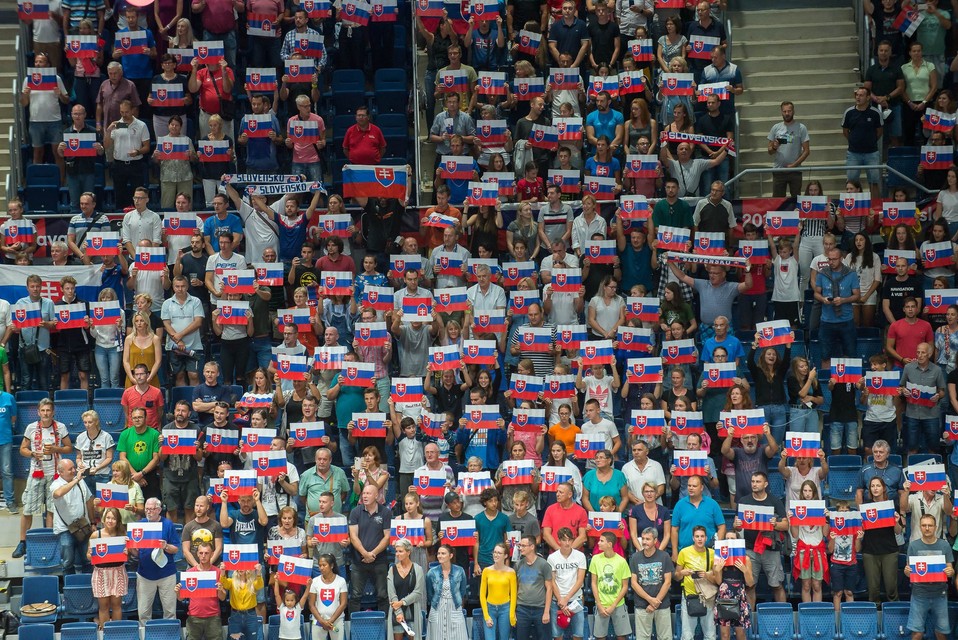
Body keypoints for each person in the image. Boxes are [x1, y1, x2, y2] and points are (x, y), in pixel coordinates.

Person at [13, 398, 72, 559]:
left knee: (52, 510)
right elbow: (22, 449)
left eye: (48, 410)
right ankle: (23, 542)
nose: (46, 413)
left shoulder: (60, 427)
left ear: (53, 412)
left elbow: (69, 448)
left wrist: (56, 449)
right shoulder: (31, 427)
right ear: (38, 412)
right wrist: (33, 453)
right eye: (43, 410)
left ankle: (50, 541)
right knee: (28, 509)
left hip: (55, 474)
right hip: (36, 473)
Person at [903, 514, 955, 640]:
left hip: (940, 594)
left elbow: (951, 569)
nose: (927, 528)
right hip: (919, 594)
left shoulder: (944, 545)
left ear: (935, 527)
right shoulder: (913, 546)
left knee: (941, 633)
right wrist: (907, 571)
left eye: (930, 525)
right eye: (924, 525)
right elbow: (909, 570)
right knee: (917, 633)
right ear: (920, 527)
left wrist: (950, 572)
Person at [133, 497, 181, 623]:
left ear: (159, 510)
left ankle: (170, 632)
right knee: (143, 612)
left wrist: (166, 546)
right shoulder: (140, 525)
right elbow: (135, 553)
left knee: (170, 611)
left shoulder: (168, 524)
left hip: (166, 574)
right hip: (145, 574)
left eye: (152, 509)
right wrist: (131, 547)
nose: (148, 512)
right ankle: (145, 632)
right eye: (146, 509)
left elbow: (176, 549)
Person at [347, 484, 390, 613]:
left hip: (379, 560)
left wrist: (372, 554)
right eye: (364, 493)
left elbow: (387, 537)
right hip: (358, 560)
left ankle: (384, 622)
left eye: (368, 493)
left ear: (376, 495)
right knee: (355, 595)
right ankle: (354, 623)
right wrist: (365, 553)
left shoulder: (385, 512)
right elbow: (353, 536)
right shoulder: (355, 512)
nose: (365, 496)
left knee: (383, 595)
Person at [814, 247, 860, 364]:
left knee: (850, 354)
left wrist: (843, 300)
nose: (831, 262)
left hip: (846, 320)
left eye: (834, 259)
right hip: (827, 320)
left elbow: (857, 296)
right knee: (825, 355)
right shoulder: (822, 273)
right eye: (829, 259)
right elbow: (816, 293)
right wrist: (823, 299)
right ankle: (826, 376)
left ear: (841, 258)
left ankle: (848, 377)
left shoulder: (851, 274)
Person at [900, 342, 947, 454]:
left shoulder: (937, 370)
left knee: (933, 447)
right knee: (912, 447)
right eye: (918, 352)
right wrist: (903, 390)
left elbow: (942, 391)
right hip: (912, 413)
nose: (920, 355)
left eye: (923, 353)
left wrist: (938, 396)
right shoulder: (908, 368)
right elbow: (901, 386)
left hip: (931, 414)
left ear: (929, 354)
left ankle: (933, 465)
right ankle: (911, 465)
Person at [50, 458, 94, 575]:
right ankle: (69, 583)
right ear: (61, 472)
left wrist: (93, 522)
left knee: (87, 559)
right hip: (65, 529)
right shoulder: (55, 484)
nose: (74, 471)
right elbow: (58, 493)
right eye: (70, 469)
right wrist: (76, 480)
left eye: (74, 468)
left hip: (83, 525)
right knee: (68, 561)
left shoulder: (81, 482)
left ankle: (87, 582)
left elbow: (89, 501)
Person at [87, 506, 129, 625]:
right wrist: (90, 554)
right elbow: (88, 556)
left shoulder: (123, 535)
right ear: (104, 519)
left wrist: (127, 552)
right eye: (108, 518)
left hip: (118, 572)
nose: (110, 521)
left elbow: (128, 556)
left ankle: (116, 632)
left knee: (116, 605)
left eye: (113, 518)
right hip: (101, 573)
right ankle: (104, 631)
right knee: (103, 606)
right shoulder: (96, 535)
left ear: (118, 521)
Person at [675, 525, 718, 640]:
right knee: (687, 635)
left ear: (706, 538)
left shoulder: (712, 553)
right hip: (689, 596)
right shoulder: (684, 552)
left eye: (702, 536)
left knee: (710, 635)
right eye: (697, 536)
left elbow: (717, 579)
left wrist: (707, 575)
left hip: (707, 596)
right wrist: (682, 573)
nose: (699, 539)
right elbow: (676, 576)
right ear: (693, 538)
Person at [176, 541, 226, 640]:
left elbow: (223, 597)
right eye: (201, 553)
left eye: (206, 553)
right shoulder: (189, 573)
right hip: (194, 617)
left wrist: (220, 590)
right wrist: (178, 592)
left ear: (212, 554)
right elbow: (181, 598)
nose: (203, 556)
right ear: (197, 554)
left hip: (213, 617)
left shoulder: (218, 572)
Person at [631, 526, 673, 640]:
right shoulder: (635, 557)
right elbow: (634, 583)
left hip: (662, 604)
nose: (644, 542)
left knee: (665, 637)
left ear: (655, 541)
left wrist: (656, 602)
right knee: (642, 638)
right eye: (643, 539)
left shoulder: (664, 556)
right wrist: (650, 600)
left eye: (648, 539)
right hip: (642, 605)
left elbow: (668, 582)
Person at [841, 86, 884, 201]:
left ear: (868, 97)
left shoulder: (875, 113)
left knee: (874, 182)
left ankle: (875, 206)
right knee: (851, 182)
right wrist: (854, 141)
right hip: (853, 153)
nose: (858, 97)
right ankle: (852, 206)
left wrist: (870, 141)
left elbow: (879, 132)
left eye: (861, 95)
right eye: (857, 95)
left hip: (872, 153)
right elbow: (845, 131)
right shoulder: (849, 112)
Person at [710, 532, 754, 640]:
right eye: (727, 538)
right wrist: (717, 570)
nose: (729, 540)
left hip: (739, 596)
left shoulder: (746, 559)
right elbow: (718, 582)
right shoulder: (719, 558)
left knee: (741, 634)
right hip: (724, 596)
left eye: (732, 538)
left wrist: (745, 570)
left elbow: (750, 583)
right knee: (725, 635)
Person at [671, 475, 725, 559]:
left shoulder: (712, 504)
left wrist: (717, 548)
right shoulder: (679, 505)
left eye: (694, 486)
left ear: (702, 487)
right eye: (689, 485)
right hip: (685, 554)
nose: (691, 488)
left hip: (708, 553)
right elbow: (674, 530)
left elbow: (722, 527)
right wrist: (674, 552)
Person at [547, 528, 586, 640]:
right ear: (559, 541)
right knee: (557, 635)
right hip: (557, 601)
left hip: (575, 600)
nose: (567, 543)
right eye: (564, 540)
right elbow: (552, 581)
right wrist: (561, 600)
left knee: (578, 635)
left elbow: (580, 580)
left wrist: (566, 598)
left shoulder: (580, 556)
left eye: (570, 540)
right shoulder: (552, 558)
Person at [767, 101, 810, 198]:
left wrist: (794, 165)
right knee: (778, 201)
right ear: (781, 112)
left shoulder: (801, 128)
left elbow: (806, 151)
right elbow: (769, 151)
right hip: (779, 170)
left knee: (796, 200)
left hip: (795, 171)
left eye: (789, 111)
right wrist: (774, 147)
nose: (787, 113)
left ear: (793, 111)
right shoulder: (775, 128)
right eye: (784, 111)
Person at [427, 544, 470, 640]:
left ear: (450, 555)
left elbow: (462, 591)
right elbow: (429, 594)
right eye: (438, 553)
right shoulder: (431, 573)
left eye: (443, 553)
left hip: (454, 607)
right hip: (437, 607)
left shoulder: (460, 571)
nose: (440, 556)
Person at [516, 533, 553, 640]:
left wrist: (546, 611)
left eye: (523, 546)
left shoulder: (543, 564)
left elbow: (549, 588)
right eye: (520, 546)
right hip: (522, 609)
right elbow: (516, 587)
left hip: (540, 609)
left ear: (532, 547)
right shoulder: (518, 565)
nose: (520, 548)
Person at [480, 541, 517, 640]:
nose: (496, 555)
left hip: (505, 609)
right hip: (490, 608)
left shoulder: (511, 572)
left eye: (499, 553)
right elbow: (482, 595)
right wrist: (486, 616)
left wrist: (511, 615)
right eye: (495, 552)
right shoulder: (486, 571)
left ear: (505, 556)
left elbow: (513, 595)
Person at [308, 553, 348, 640]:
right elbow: (311, 605)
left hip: (336, 620)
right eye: (319, 565)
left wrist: (330, 621)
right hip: (318, 621)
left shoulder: (341, 581)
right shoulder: (315, 581)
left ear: (332, 565)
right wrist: (322, 621)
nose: (321, 568)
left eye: (324, 565)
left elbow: (343, 603)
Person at [541, 482, 588, 552]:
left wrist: (569, 551)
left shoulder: (581, 511)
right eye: (557, 492)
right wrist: (559, 551)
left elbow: (582, 536)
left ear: (570, 494)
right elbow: (546, 534)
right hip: (555, 553)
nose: (557, 494)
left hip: (574, 553)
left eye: (561, 492)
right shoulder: (550, 509)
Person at [181, 494, 224, 567]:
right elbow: (186, 551)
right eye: (196, 505)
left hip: (213, 565)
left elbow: (219, 549)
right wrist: (197, 566)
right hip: (193, 566)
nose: (198, 509)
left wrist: (208, 565)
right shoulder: (188, 527)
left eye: (201, 506)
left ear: (207, 507)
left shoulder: (216, 525)